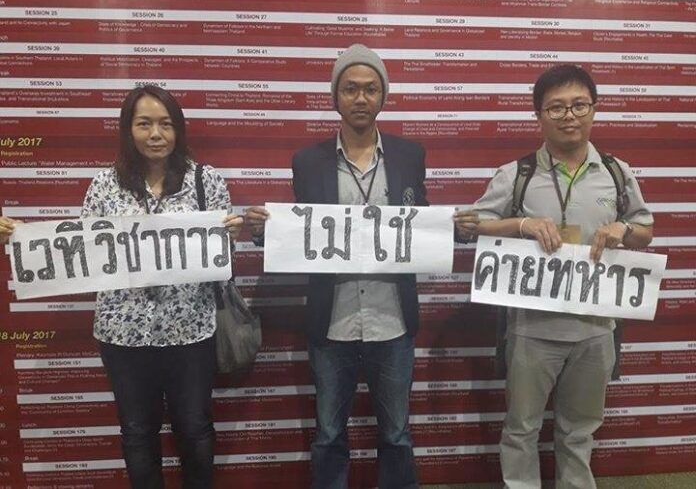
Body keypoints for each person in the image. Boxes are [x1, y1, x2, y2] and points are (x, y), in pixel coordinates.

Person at [247, 44, 478, 488]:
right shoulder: (307, 160)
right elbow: (302, 231)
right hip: (331, 321)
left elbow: (419, 222)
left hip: (392, 320)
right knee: (329, 433)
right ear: (335, 96)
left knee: (396, 434)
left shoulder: (409, 155)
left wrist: (455, 231)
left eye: (371, 89)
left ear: (383, 96)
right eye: (350, 88)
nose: (360, 98)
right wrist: (264, 231)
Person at [473, 64, 654, 489]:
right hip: (531, 329)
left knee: (579, 431)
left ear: (594, 110)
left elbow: (645, 229)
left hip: (596, 330)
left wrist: (624, 230)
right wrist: (521, 225)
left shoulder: (616, 172)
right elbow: (471, 222)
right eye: (556, 108)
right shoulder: (515, 175)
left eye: (579, 105)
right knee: (521, 429)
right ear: (539, 116)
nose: (569, 116)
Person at [79, 85, 242, 488]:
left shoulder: (207, 182)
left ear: (178, 130)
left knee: (195, 430)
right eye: (144, 124)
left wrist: (233, 238)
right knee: (137, 434)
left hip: (191, 332)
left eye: (165, 124)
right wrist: (21, 239)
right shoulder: (103, 186)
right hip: (123, 336)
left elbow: (221, 260)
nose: (156, 134)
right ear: (128, 130)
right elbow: (81, 250)